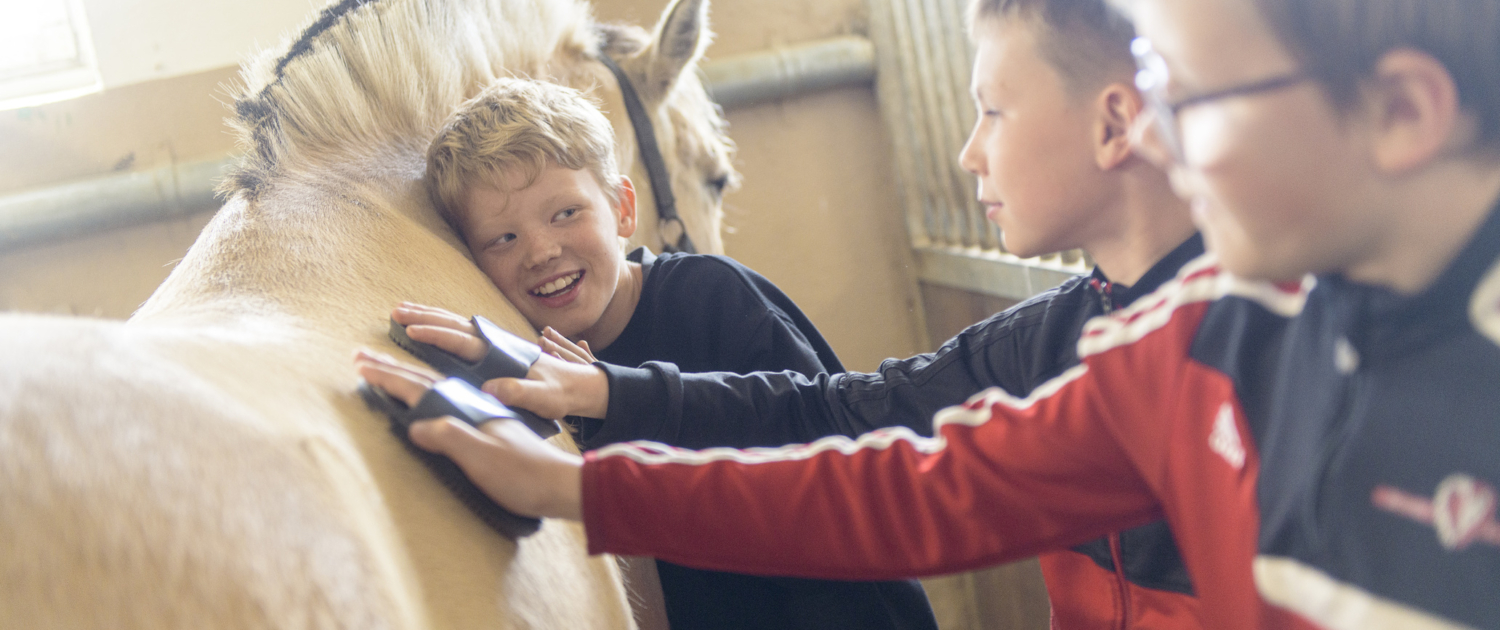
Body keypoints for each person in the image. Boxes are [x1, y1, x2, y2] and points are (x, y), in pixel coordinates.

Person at [362, 0, 1500, 627]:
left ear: (1402, 112)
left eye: (1195, 100)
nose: (1163, 134)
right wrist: (576, 473)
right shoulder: (1172, 351)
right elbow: (895, 469)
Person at [385, 77, 937, 630]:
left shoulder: (713, 296)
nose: (541, 251)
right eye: (502, 239)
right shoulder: (535, 363)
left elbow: (831, 452)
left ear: (623, 209)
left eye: (565, 214)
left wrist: (614, 396)